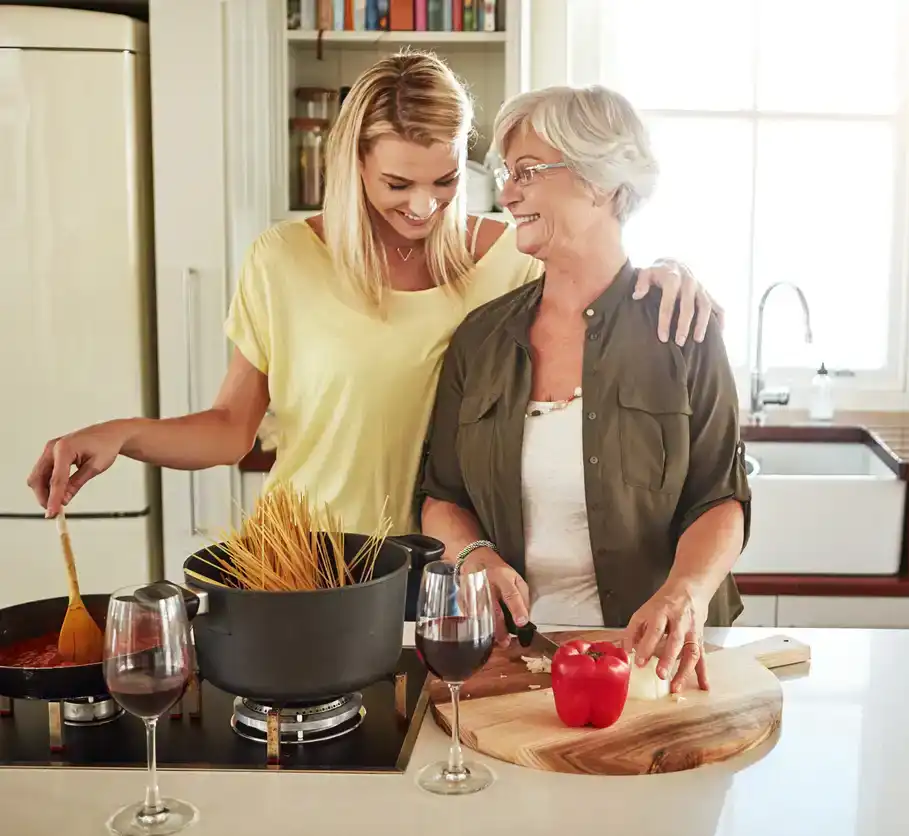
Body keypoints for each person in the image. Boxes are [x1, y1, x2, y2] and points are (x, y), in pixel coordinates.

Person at [26, 50, 719, 542]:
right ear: (354, 163)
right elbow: (232, 427)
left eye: (445, 181)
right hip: (309, 561)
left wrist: (670, 268)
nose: (424, 207)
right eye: (397, 185)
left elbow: (596, 264)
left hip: (450, 565)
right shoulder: (285, 259)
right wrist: (122, 433)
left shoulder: (510, 258)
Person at [416, 84, 750, 694]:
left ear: (601, 181)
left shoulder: (683, 329)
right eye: (504, 173)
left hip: (662, 665)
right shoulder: (480, 339)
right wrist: (476, 557)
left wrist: (687, 592)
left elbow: (721, 498)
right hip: (516, 662)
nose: (506, 192)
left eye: (527, 172)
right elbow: (442, 497)